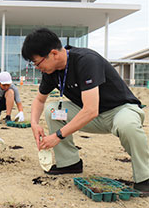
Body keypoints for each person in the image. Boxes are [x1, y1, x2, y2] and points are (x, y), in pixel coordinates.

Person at [21, 27, 149, 194]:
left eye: (37, 63)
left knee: (127, 125)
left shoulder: (86, 60)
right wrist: (34, 123)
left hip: (121, 110)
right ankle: (69, 163)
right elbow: (39, 99)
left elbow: (91, 109)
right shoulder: (50, 71)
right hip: (92, 116)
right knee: (53, 110)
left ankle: (145, 177)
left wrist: (57, 136)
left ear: (53, 53)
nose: (37, 68)